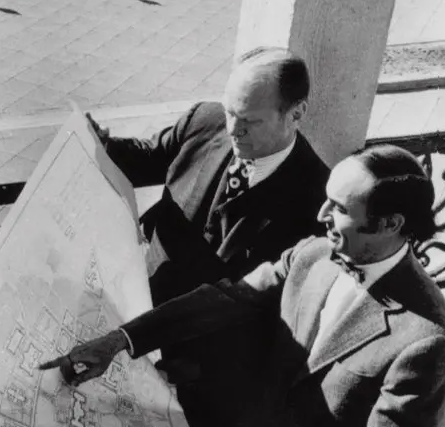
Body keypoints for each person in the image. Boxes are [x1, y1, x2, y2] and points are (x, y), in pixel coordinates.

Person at [41, 146, 445, 427]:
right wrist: (120, 340)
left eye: (340, 208)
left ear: (391, 224)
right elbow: (227, 299)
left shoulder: (424, 338)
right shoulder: (314, 254)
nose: (321, 215)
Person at [90, 47, 329, 304]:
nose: (233, 130)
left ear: (296, 114)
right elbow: (146, 159)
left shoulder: (320, 202)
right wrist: (100, 145)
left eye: (250, 121)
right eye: (230, 112)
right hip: (139, 296)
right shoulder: (204, 120)